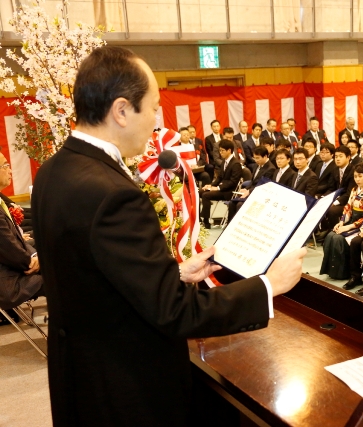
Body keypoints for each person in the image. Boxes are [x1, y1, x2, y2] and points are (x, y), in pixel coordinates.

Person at [30, 46, 307, 427]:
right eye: (154, 108)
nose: (157, 121)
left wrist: (172, 274)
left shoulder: (53, 171)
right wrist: (267, 286)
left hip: (79, 377)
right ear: (122, 111)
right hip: (125, 388)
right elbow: (174, 312)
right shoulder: (112, 194)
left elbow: (93, 276)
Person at [0, 151, 45, 312]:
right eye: (5, 166)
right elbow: (8, 248)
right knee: (64, 274)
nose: (10, 170)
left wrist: (34, 257)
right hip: (8, 283)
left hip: (12, 271)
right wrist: (34, 261)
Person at [320, 163, 363, 280]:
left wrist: (348, 227)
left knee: (339, 238)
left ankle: (345, 272)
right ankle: (333, 271)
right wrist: (341, 222)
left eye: (360, 176)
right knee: (330, 236)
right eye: (355, 176)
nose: (357, 179)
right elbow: (348, 207)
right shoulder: (354, 190)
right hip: (350, 220)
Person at [199, 139, 243, 228]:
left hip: (229, 192)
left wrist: (218, 188)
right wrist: (211, 185)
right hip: (222, 189)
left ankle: (206, 222)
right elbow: (220, 177)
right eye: (220, 150)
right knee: (201, 191)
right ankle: (200, 218)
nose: (220, 153)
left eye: (222, 150)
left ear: (229, 150)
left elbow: (233, 182)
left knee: (206, 195)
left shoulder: (236, 164)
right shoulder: (224, 161)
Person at [227, 145, 276, 222]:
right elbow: (253, 181)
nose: (256, 160)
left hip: (260, 194)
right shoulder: (257, 165)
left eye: (258, 158)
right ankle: (230, 225)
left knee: (240, 204)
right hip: (252, 191)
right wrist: (246, 189)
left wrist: (249, 191)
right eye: (254, 158)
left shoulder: (270, 169)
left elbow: (263, 186)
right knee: (232, 203)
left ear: (265, 156)